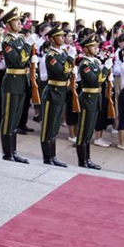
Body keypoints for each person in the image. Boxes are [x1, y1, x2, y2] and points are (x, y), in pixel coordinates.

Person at [0, 7, 30, 164]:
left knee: (16, 118)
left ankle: (14, 151)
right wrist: (28, 48)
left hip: (21, 81)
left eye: (19, 20)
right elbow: (18, 60)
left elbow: (26, 60)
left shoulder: (21, 39)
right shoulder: (7, 41)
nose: (19, 23)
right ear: (9, 25)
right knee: (9, 118)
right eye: (16, 21)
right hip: (12, 81)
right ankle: (7, 152)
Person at [76, 36, 112, 169]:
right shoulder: (85, 64)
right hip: (87, 99)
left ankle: (87, 159)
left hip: (95, 99)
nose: (96, 48)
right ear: (85, 49)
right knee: (84, 131)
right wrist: (106, 69)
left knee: (89, 131)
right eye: (92, 46)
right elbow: (96, 81)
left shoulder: (95, 62)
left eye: (96, 46)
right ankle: (82, 160)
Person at [40, 26, 72, 167]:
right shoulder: (51, 56)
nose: (63, 38)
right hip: (52, 92)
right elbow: (62, 72)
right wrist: (71, 59)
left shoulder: (63, 53)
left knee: (55, 126)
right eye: (60, 36)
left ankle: (53, 156)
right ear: (52, 39)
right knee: (48, 126)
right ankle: (47, 157)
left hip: (61, 92)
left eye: (63, 36)